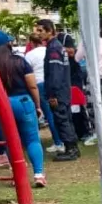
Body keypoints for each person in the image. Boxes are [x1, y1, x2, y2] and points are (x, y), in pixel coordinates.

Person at [0, 30, 46, 188]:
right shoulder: (19, 61)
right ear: (7, 44)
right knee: (32, 139)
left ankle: (17, 175)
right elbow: (32, 85)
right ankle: (39, 174)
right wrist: (37, 105)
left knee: (10, 141)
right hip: (22, 101)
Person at [35, 19, 79, 162]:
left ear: (50, 31)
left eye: (41, 30)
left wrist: (52, 94)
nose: (38, 33)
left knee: (62, 120)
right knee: (66, 119)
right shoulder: (57, 46)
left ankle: (70, 149)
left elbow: (55, 73)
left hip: (58, 91)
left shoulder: (54, 47)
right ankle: (72, 147)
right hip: (63, 90)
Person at [25, 33, 64, 154]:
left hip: (39, 84)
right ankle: (64, 139)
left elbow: (27, 73)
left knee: (49, 114)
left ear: (31, 42)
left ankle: (58, 142)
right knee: (58, 112)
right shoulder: (48, 50)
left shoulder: (29, 55)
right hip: (53, 81)